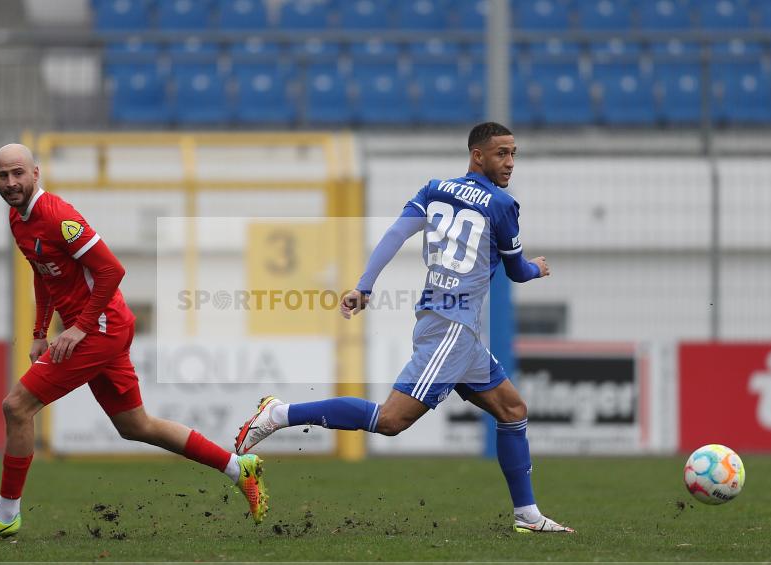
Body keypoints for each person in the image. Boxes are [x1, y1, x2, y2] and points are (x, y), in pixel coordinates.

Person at [235, 122, 572, 533]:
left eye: (514, 153)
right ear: (477, 155)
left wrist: (364, 286)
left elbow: (395, 235)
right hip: (452, 328)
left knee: (513, 409)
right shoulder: (503, 205)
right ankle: (279, 414)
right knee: (391, 420)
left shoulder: (433, 189)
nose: (510, 163)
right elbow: (517, 271)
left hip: (444, 323)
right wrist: (537, 269)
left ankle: (527, 515)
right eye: (502, 153)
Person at [0, 144, 268, 541]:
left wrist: (79, 328)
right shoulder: (18, 218)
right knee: (136, 425)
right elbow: (43, 273)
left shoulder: (57, 216)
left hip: (99, 328)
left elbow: (112, 270)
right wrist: (39, 332)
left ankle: (6, 513)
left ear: (36, 172)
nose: (11, 183)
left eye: (18, 173)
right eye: (2, 176)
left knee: (16, 407)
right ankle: (239, 468)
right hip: (104, 328)